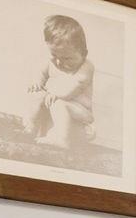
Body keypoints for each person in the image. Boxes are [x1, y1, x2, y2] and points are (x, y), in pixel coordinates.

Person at [24, 14, 95, 147]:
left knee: (59, 103)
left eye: (67, 58)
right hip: (55, 107)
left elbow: (77, 86)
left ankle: (62, 140)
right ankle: (30, 127)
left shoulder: (86, 66)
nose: (59, 61)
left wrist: (57, 95)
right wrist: (37, 83)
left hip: (79, 112)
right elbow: (41, 72)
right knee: (37, 95)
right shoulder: (53, 61)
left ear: (83, 52)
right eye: (54, 55)